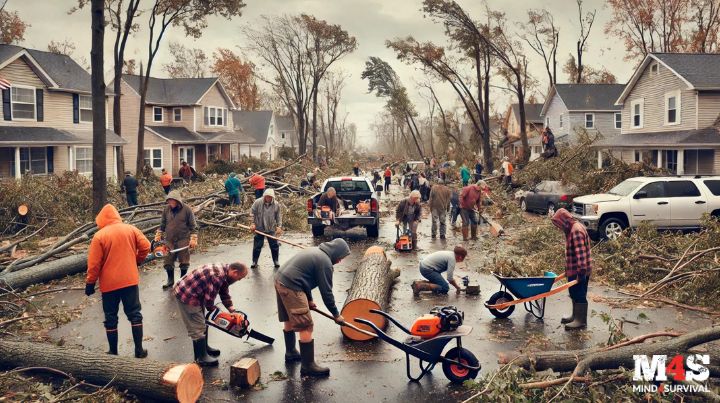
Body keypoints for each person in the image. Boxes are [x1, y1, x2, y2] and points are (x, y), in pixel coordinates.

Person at [274, 239, 350, 376]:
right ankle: (308, 366)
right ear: (336, 252)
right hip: (292, 285)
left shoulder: (316, 251)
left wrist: (309, 300)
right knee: (305, 325)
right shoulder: (325, 263)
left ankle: (290, 352)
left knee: (289, 317)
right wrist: (336, 314)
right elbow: (327, 293)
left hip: (281, 280)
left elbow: (304, 278)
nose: (340, 261)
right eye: (340, 257)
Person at [85, 204, 151, 358]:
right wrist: (137, 260)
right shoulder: (131, 229)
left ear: (101, 219)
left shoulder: (99, 236)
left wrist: (90, 283)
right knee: (135, 314)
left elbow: (94, 264)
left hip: (109, 284)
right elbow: (146, 246)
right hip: (129, 281)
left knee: (110, 317)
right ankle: (139, 350)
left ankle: (113, 352)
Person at [174, 262, 249, 366]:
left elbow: (223, 290)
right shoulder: (217, 275)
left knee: (204, 323)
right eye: (239, 278)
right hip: (187, 295)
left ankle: (205, 349)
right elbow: (209, 300)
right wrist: (219, 314)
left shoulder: (225, 270)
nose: (238, 280)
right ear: (235, 272)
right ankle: (200, 358)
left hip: (197, 294)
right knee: (198, 326)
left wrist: (232, 310)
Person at [551, 209, 592, 330]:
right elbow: (572, 252)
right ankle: (575, 316)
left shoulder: (576, 231)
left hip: (579, 270)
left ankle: (580, 321)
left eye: (559, 224)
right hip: (574, 269)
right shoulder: (572, 229)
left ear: (564, 221)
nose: (559, 228)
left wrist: (581, 272)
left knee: (579, 294)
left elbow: (581, 255)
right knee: (574, 293)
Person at [156, 191, 198, 290]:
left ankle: (182, 281)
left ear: (177, 201)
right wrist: (159, 233)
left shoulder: (187, 210)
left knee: (184, 261)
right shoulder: (166, 209)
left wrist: (193, 238)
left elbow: (193, 226)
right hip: (169, 240)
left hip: (183, 239)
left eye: (172, 201)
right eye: (169, 201)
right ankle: (170, 280)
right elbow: (163, 223)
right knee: (168, 260)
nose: (170, 203)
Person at [250, 188, 282, 269]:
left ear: (272, 197)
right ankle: (255, 261)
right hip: (259, 227)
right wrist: (252, 223)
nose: (268, 198)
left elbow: (278, 216)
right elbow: (252, 213)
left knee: (274, 245)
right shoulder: (258, 202)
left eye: (270, 197)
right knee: (257, 246)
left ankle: (276, 261)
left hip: (271, 228)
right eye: (267, 196)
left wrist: (279, 226)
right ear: (264, 196)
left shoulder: (276, 204)